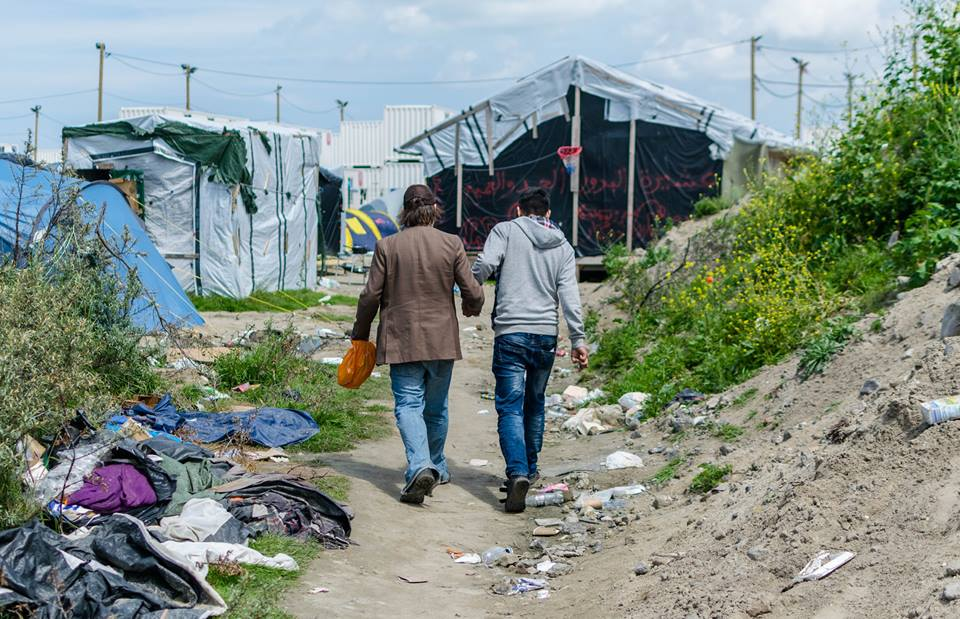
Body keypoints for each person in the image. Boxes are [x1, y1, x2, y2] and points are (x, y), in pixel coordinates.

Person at [352, 185, 484, 505]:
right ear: (434, 210)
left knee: (409, 405)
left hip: (403, 339)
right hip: (441, 340)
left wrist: (360, 332)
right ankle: (435, 464)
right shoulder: (451, 243)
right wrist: (471, 306)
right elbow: (474, 291)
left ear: (405, 212)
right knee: (436, 408)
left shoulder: (387, 246)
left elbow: (370, 295)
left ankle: (421, 465)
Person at [472, 187, 588, 513]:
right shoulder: (564, 246)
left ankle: (518, 472)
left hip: (510, 334)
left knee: (510, 407)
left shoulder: (506, 231)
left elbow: (485, 265)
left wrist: (467, 283)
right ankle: (531, 469)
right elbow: (570, 297)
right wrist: (578, 340)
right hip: (545, 337)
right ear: (548, 214)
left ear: (519, 210)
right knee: (535, 404)